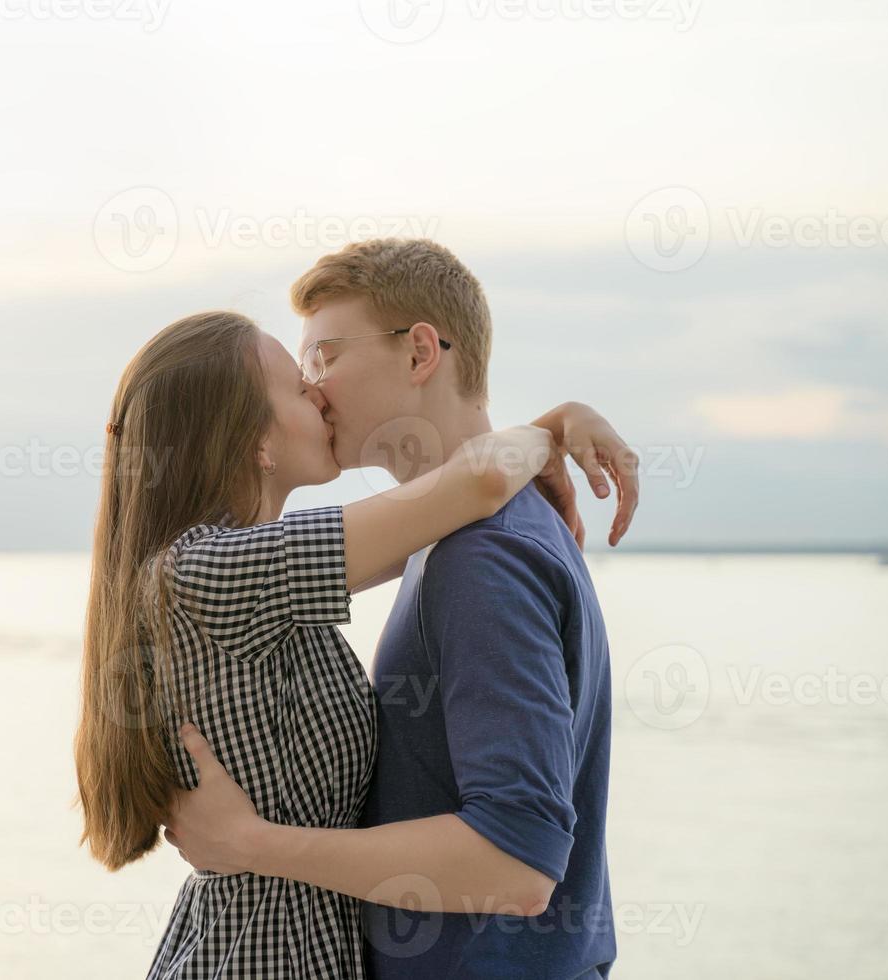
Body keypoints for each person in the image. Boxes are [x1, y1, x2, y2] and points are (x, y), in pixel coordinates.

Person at [75, 301, 636, 978]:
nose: (319, 392)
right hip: (257, 958)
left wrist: (552, 428)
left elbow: (457, 510)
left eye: (324, 361)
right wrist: (550, 432)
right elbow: (477, 483)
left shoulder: (255, 577)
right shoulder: (208, 573)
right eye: (298, 385)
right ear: (255, 440)